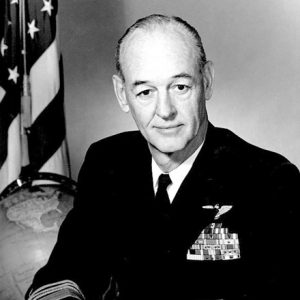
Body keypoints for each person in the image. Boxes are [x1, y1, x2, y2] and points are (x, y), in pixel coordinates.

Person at [26, 14, 299, 300]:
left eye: (180, 87)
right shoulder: (107, 163)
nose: (165, 110)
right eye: (145, 92)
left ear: (206, 81)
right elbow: (68, 268)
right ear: (122, 94)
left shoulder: (269, 180)